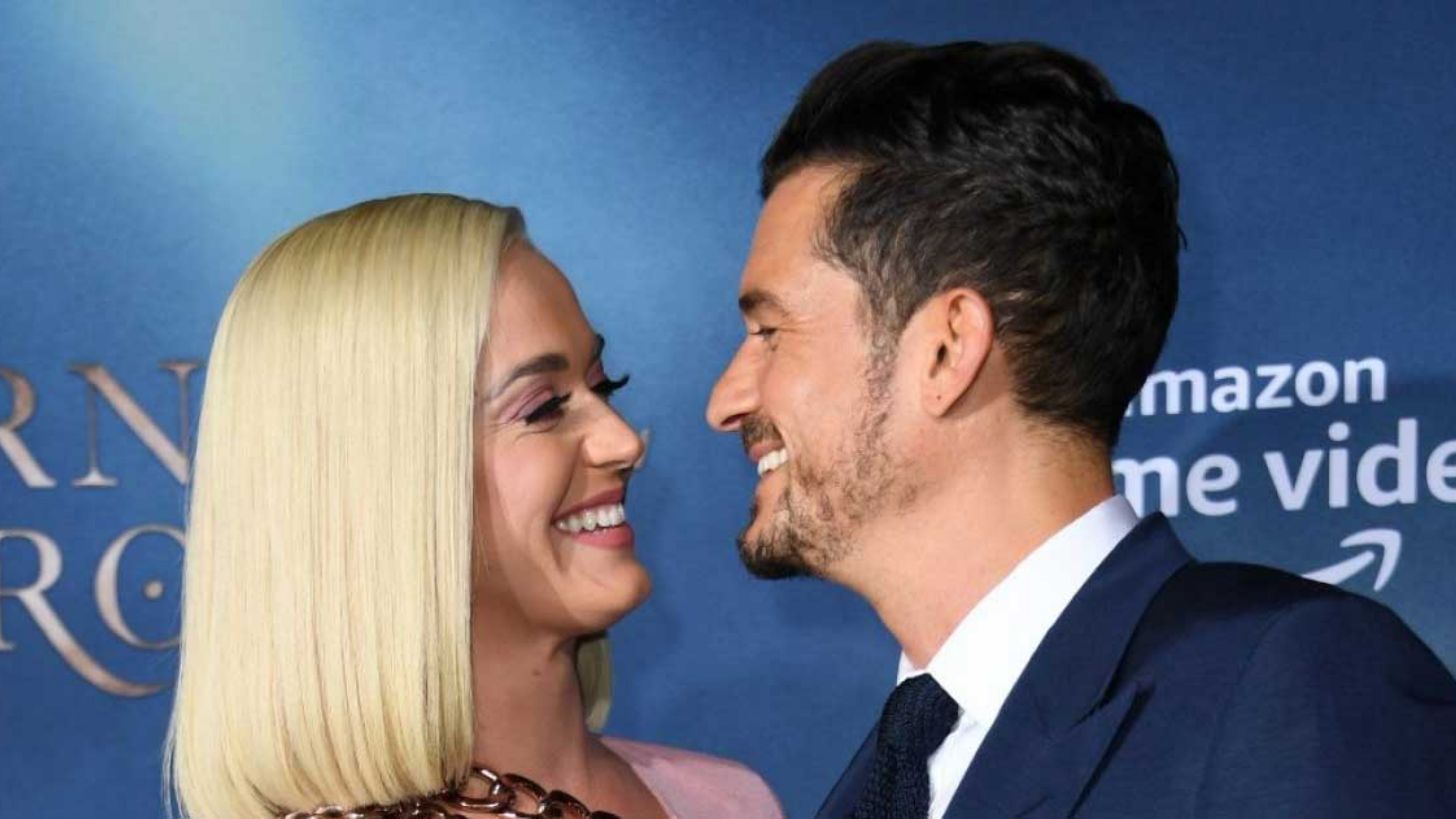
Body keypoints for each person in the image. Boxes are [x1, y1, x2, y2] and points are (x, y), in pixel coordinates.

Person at [706, 40, 1456, 818]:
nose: (724, 400)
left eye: (769, 333)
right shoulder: (883, 779)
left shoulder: (1287, 689)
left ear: (947, 348)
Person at [167, 194, 783, 819]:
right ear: (380, 483)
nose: (623, 442)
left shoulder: (729, 801)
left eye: (603, 387)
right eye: (543, 408)